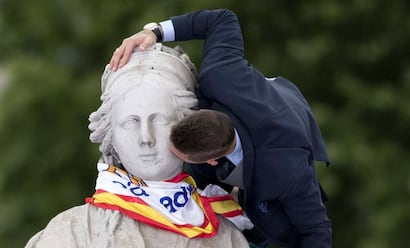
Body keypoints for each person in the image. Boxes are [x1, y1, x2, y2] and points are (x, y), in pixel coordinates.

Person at [109, 9, 332, 248]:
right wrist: (155, 31)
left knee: (273, 227)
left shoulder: (287, 171)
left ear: (213, 161)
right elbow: (223, 18)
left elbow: (316, 231)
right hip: (257, 101)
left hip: (287, 134)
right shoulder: (220, 75)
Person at [25, 44, 250, 248]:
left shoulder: (226, 236)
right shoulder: (71, 233)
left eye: (159, 120)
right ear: (110, 135)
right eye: (130, 122)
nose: (146, 137)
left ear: (186, 126)